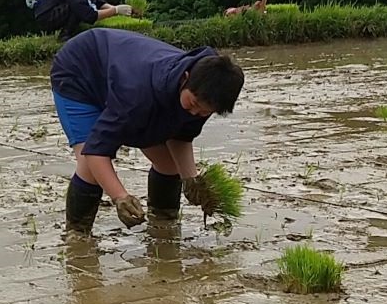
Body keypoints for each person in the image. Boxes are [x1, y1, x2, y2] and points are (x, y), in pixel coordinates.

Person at [49, 27, 245, 234]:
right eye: (193, 103)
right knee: (90, 168)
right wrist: (120, 197)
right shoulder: (135, 96)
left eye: (205, 112)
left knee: (169, 165)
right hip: (80, 72)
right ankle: (77, 236)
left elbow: (180, 136)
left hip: (123, 72)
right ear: (184, 79)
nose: (195, 113)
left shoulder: (206, 91)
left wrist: (190, 178)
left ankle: (163, 224)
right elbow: (96, 152)